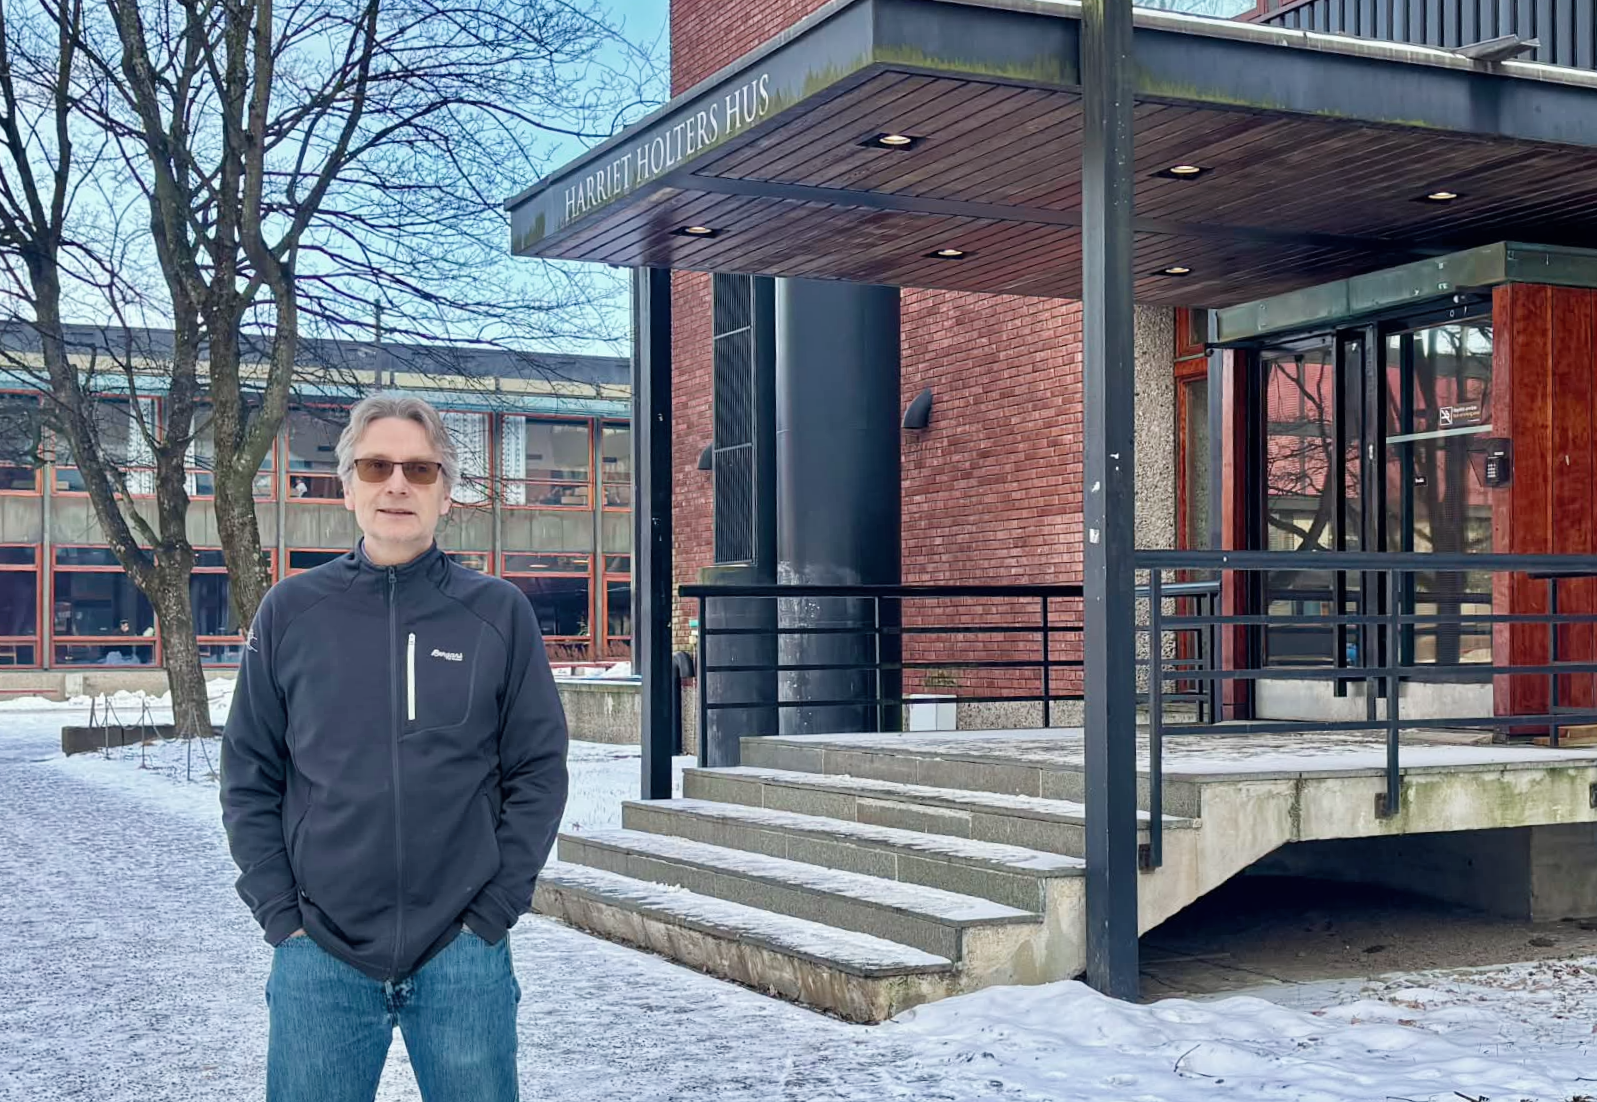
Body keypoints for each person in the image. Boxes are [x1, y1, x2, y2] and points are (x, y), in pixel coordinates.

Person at [221, 394, 569, 1102]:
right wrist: (281, 913)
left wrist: (492, 910)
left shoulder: (497, 614)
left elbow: (537, 769)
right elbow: (249, 771)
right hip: (320, 953)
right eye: (376, 466)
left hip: (461, 954)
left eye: (420, 468)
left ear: (446, 491)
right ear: (348, 486)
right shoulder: (291, 612)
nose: (397, 484)